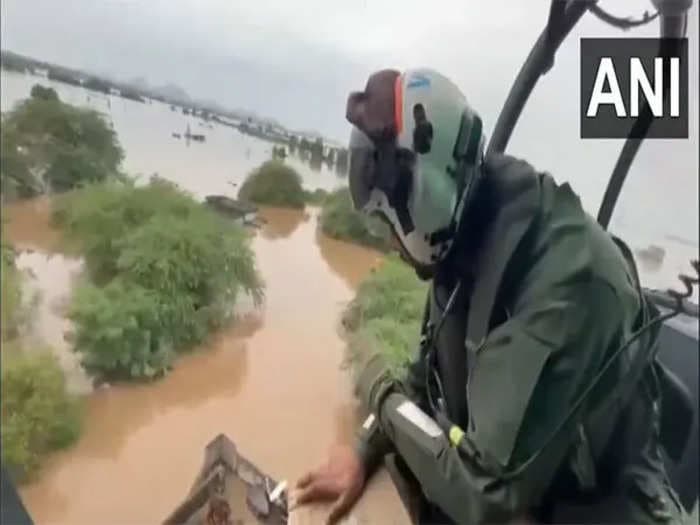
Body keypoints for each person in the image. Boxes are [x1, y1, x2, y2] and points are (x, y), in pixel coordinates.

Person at [292, 68, 688, 524]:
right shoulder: (464, 243)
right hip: (531, 494)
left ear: (426, 197)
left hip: (600, 507)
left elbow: (485, 492)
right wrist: (363, 448)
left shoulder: (569, 281)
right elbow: (424, 384)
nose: (390, 242)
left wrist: (376, 386)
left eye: (388, 221)